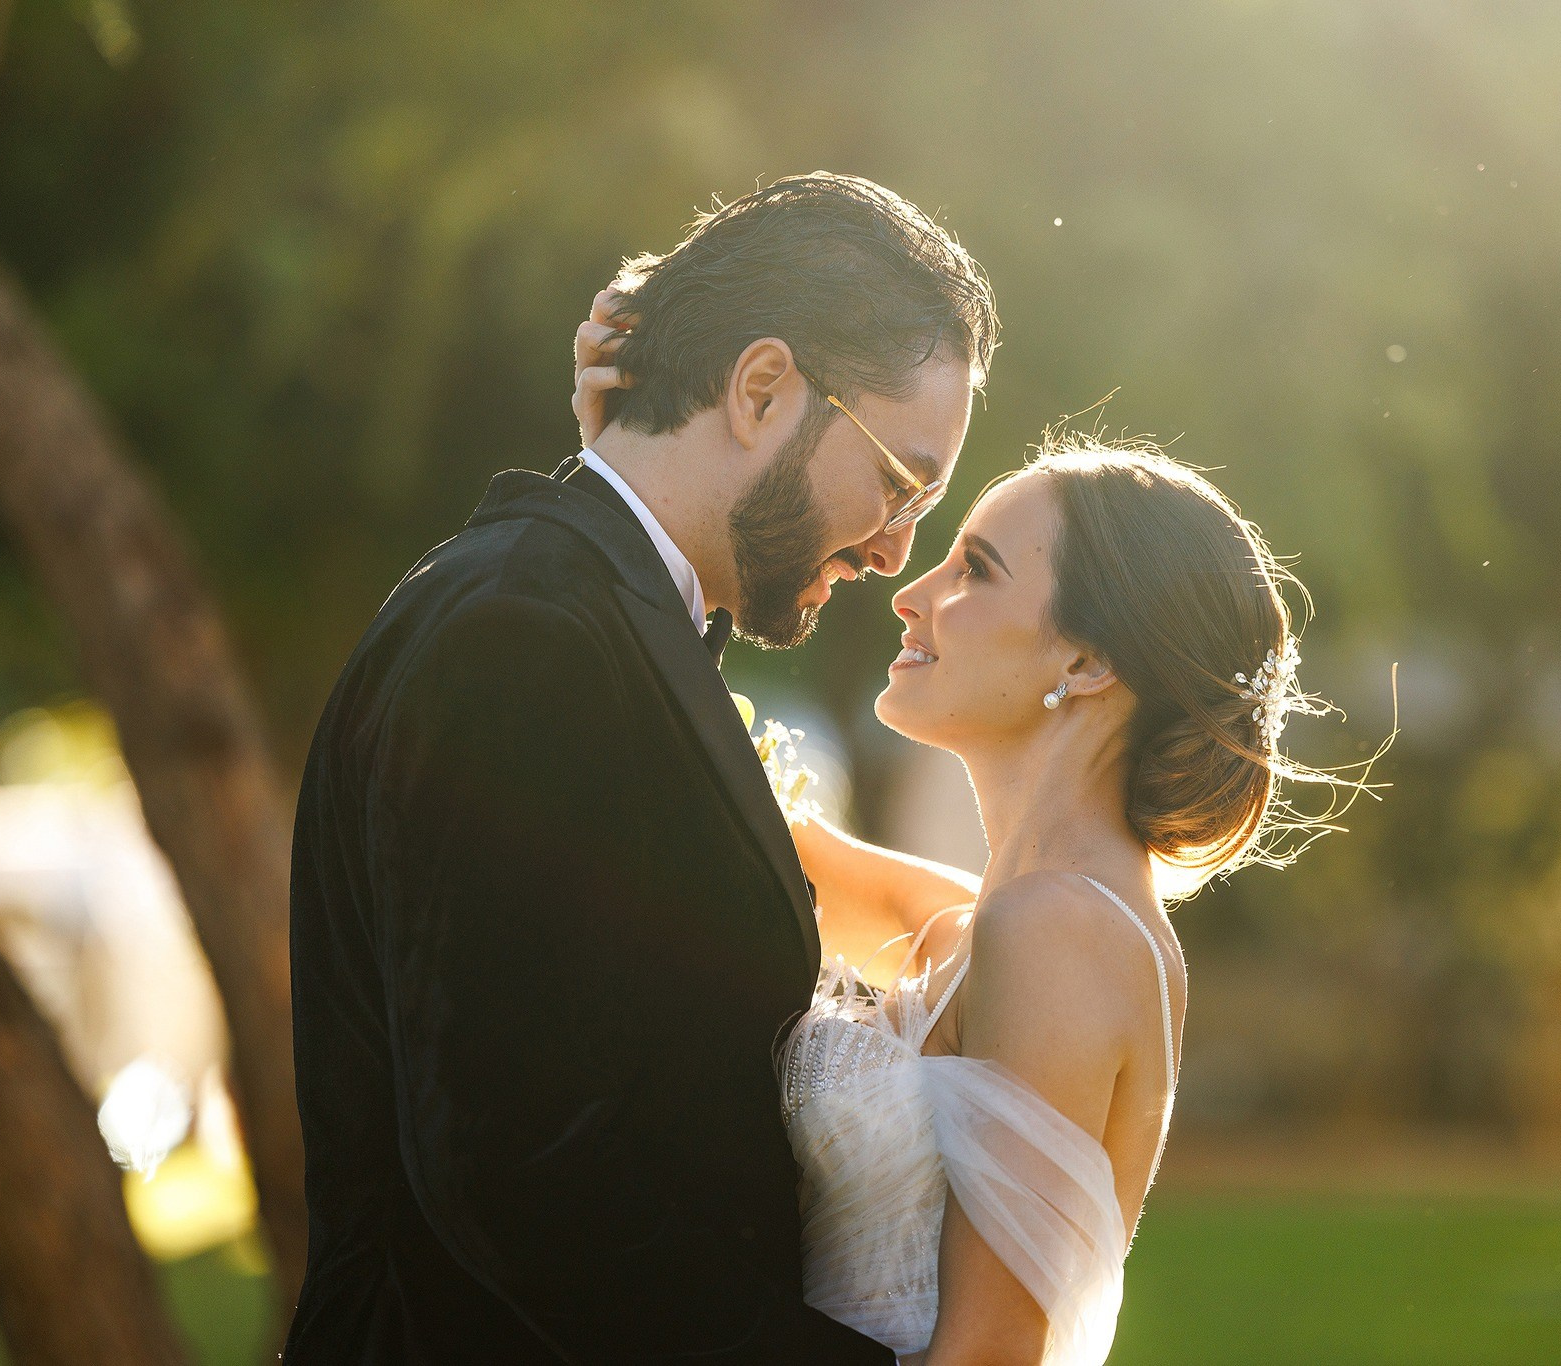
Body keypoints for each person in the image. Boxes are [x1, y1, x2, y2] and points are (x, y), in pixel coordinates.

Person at [283, 171, 997, 1363]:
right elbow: (522, 1187)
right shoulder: (519, 636)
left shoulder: (581, 616)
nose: (892, 549)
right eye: (897, 481)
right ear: (763, 387)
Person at [573, 317, 1338, 1366]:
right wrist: (641, 463)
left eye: (971, 568)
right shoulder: (996, 921)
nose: (910, 592)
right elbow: (742, 829)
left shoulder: (1055, 929)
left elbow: (986, 1356)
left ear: (1085, 660)